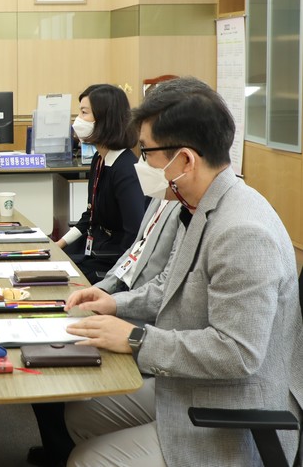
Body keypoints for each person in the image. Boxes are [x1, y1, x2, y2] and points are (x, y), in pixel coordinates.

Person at [62, 77, 303, 466]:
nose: (142, 164)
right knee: (82, 414)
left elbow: (236, 352)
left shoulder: (243, 231)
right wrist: (114, 303)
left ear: (185, 160)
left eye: (147, 152)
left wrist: (136, 339)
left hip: (235, 415)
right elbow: (168, 286)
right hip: (193, 386)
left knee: (87, 459)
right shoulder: (198, 206)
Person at [28, 198, 181, 466]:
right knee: (44, 347)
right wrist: (102, 290)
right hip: (125, 304)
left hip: (144, 323)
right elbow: (133, 254)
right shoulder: (162, 198)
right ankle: (59, 450)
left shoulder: (199, 214)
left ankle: (61, 453)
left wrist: (116, 305)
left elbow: (165, 289)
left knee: (54, 361)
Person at [55, 84, 146, 284]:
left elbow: (134, 234)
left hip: (112, 260)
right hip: (95, 246)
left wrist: (114, 281)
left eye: (84, 112)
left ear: (105, 119)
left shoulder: (126, 170)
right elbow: (90, 216)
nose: (78, 120)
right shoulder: (99, 159)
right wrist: (57, 245)